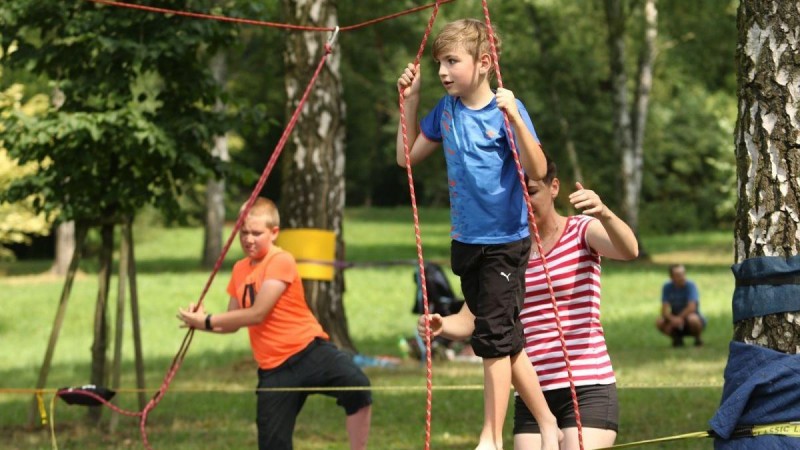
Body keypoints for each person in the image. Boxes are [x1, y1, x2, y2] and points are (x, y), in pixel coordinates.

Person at [396, 18, 559, 450]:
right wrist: (410, 103)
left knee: (491, 341)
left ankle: (490, 437)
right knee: (503, 337)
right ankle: (547, 425)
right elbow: (406, 159)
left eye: (452, 61)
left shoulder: (506, 110)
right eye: (439, 64)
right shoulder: (445, 112)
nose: (443, 72)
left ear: (484, 63)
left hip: (505, 241)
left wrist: (515, 116)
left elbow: (537, 170)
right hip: (466, 241)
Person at [418, 159, 639, 449]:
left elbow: (628, 250)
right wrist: (441, 325)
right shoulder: (503, 253)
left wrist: (605, 214)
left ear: (554, 187)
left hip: (586, 388)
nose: (524, 201)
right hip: (531, 396)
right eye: (515, 194)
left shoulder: (581, 231)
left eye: (532, 191)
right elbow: (476, 318)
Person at [177, 198, 372, 450]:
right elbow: (232, 322)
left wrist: (207, 319)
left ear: (274, 233)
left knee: (358, 387)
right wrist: (201, 322)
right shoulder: (239, 269)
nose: (248, 239)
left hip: (308, 352)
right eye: (243, 232)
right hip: (274, 370)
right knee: (272, 445)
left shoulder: (281, 260)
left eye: (256, 233)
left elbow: (258, 313)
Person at [656, 264, 705, 347]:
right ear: (672, 277)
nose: (682, 277)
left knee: (693, 319)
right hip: (675, 316)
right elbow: (664, 309)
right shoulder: (667, 287)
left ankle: (697, 338)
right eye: (678, 275)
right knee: (659, 321)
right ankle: (677, 338)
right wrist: (672, 319)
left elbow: (692, 307)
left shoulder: (690, 286)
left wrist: (679, 318)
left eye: (683, 274)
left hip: (689, 316)